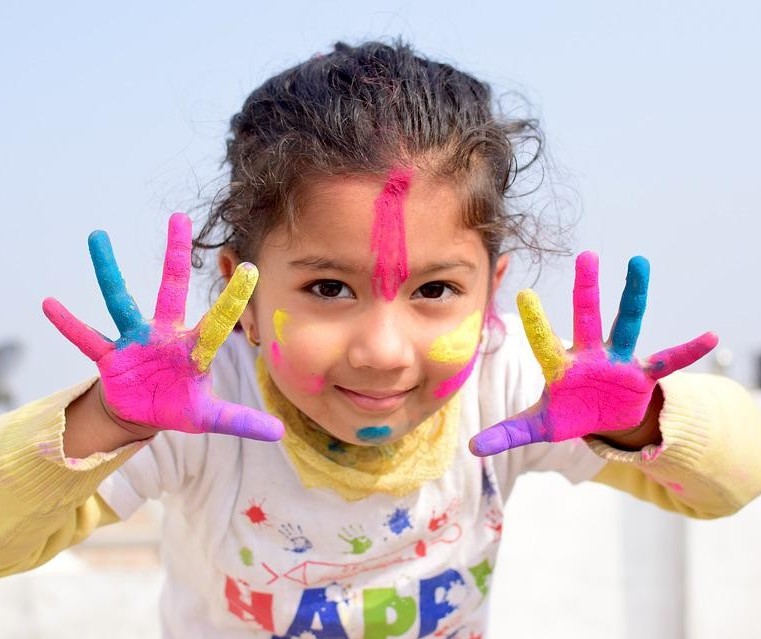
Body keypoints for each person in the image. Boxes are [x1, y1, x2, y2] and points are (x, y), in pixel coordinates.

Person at [1, 40, 760, 638]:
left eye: (434, 290)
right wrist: (112, 418)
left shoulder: (510, 388)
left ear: (490, 293)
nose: (383, 350)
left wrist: (636, 421)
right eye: (329, 288)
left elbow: (735, 478)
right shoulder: (195, 408)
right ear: (246, 294)